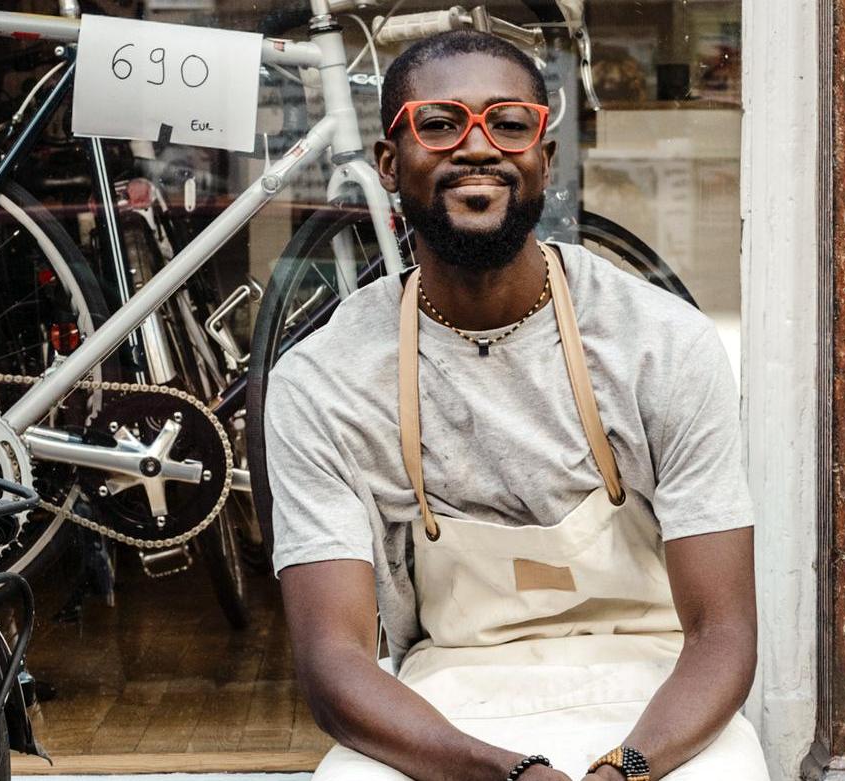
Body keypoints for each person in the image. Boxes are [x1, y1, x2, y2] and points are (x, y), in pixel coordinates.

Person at [264, 31, 768, 781]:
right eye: (438, 124)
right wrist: (506, 771)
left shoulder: (661, 343)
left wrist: (621, 769)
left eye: (508, 123)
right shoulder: (323, 379)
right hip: (447, 700)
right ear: (386, 164)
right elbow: (334, 665)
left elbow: (721, 633)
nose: (477, 147)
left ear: (544, 159)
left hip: (655, 697)